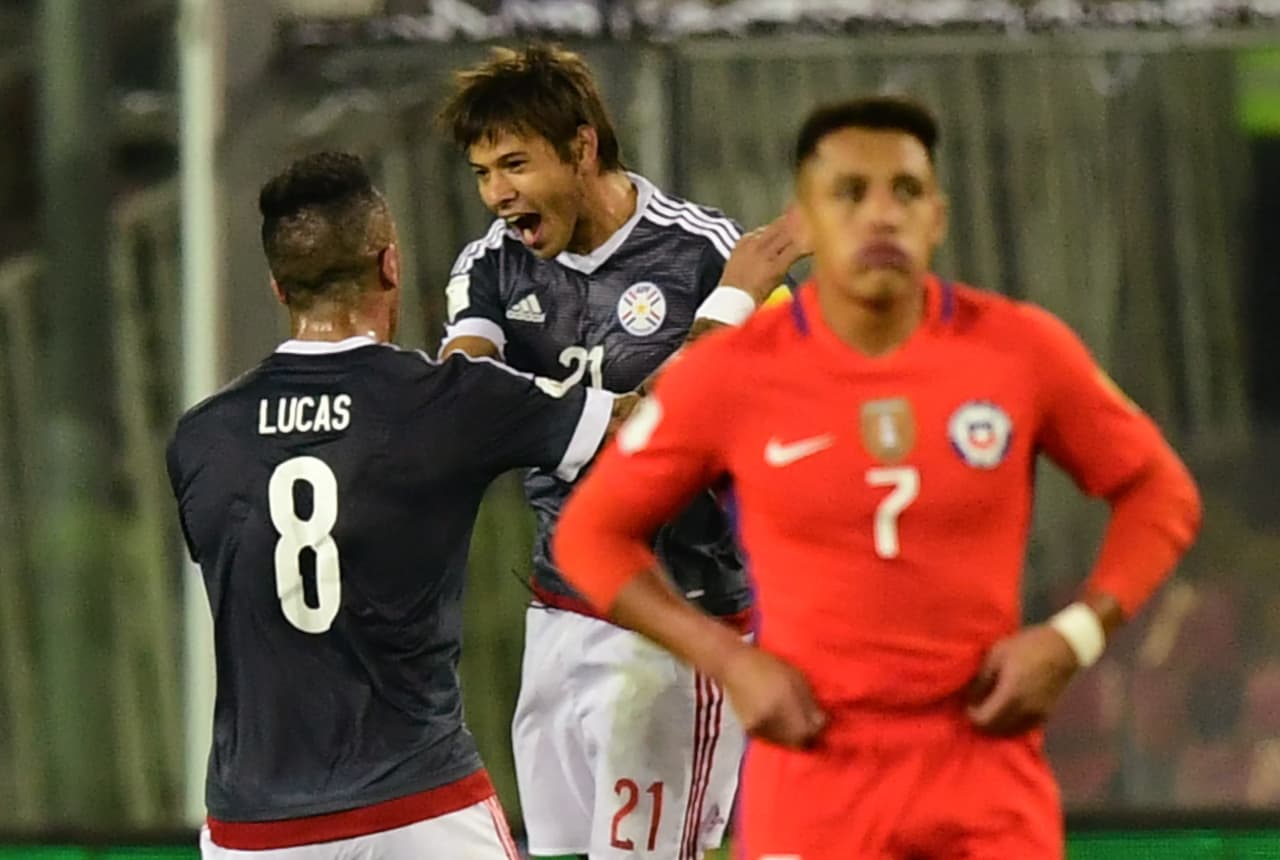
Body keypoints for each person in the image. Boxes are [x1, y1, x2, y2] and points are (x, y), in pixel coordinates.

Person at [553, 96, 1204, 859]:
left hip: (982, 769)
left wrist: (1074, 635)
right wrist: (728, 660)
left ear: (939, 216)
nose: (882, 215)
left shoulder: (1020, 351)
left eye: (906, 192)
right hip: (816, 775)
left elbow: (1161, 493)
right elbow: (593, 534)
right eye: (851, 194)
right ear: (807, 221)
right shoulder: (733, 376)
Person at [166, 151, 624, 859]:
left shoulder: (202, 437)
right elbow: (640, 433)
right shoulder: (448, 402)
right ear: (389, 266)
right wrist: (734, 309)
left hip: (252, 830)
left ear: (278, 287)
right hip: (418, 811)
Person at [436, 44, 803, 860]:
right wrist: (694, 351)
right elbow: (463, 402)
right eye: (482, 172)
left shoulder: (706, 253)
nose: (498, 194)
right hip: (557, 616)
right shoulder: (490, 269)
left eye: (516, 164)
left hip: (678, 623)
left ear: (583, 148)